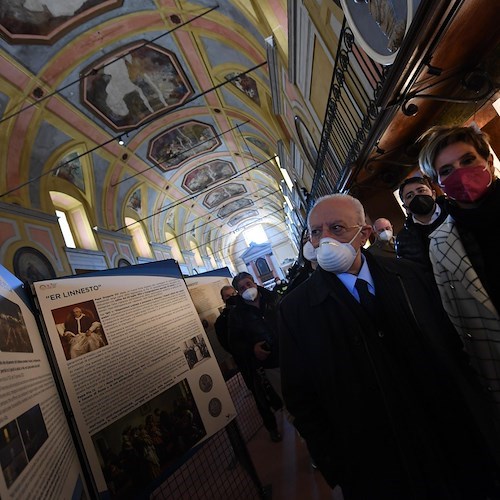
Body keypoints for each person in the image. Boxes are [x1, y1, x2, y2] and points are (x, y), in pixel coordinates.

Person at [279, 193, 499, 499]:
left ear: (364, 234)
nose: (324, 239)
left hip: (447, 435)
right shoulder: (295, 311)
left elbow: (450, 347)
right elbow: (302, 398)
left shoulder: (407, 276)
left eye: (337, 228)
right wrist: (338, 467)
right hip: (375, 461)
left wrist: (476, 411)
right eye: (316, 232)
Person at [418, 124, 500, 414]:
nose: (461, 174)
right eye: (447, 170)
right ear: (439, 184)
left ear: (487, 161)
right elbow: (455, 318)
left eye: (467, 161)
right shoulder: (440, 245)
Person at [228, 272, 283, 442]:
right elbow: (234, 343)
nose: (247, 288)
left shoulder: (274, 298)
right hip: (271, 364)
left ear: (254, 283)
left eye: (248, 284)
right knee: (288, 401)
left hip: (291, 354)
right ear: (238, 292)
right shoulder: (237, 315)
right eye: (242, 287)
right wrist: (252, 349)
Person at [395, 176, 448, 267]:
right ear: (406, 208)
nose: (417, 196)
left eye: (421, 191)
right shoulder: (403, 239)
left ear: (433, 194)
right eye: (410, 196)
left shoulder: (455, 213)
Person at [214, 285, 238, 353]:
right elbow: (227, 345)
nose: (232, 297)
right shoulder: (220, 322)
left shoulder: (248, 309)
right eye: (228, 296)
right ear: (223, 299)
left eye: (233, 294)